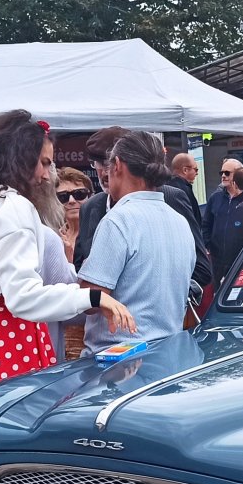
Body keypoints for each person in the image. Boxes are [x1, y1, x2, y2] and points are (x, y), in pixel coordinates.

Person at [0, 110, 135, 404]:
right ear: (18, 159)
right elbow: (22, 297)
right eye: (43, 163)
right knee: (12, 423)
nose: (46, 175)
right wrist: (92, 297)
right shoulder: (12, 207)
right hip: (7, 339)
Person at [78, 130, 195, 354]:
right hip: (168, 351)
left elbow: (91, 300)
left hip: (119, 357)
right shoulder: (179, 221)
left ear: (117, 165)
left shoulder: (118, 220)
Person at [75, 127, 212, 292]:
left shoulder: (168, 200)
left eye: (108, 163)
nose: (105, 172)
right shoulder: (90, 207)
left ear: (118, 165)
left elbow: (201, 269)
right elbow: (79, 265)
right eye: (98, 163)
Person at [56, 166, 93, 359]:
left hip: (93, 331)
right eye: (63, 197)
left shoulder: (101, 233)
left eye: (79, 194)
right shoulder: (52, 237)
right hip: (58, 331)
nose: (71, 201)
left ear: (90, 196)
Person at [163, 153, 203, 227]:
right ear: (185, 170)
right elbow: (192, 221)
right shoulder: (183, 191)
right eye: (195, 169)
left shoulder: (164, 187)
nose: (197, 173)